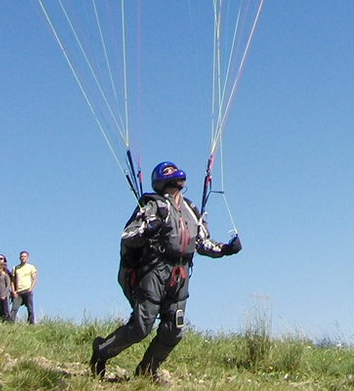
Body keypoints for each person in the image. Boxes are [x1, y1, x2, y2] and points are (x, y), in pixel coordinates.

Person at [90, 161, 241, 381]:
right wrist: (147, 230)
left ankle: (147, 371)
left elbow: (203, 242)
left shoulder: (190, 209)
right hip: (155, 270)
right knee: (141, 326)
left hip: (180, 274)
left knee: (174, 330)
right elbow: (128, 236)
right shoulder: (154, 206)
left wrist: (225, 249)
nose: (178, 181)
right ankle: (102, 351)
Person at [10, 250, 38, 324]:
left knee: (30, 309)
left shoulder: (31, 267)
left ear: (27, 258)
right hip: (18, 292)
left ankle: (31, 323)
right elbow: (12, 281)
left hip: (27, 290)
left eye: (24, 256)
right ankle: (10, 324)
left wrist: (31, 288)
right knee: (14, 309)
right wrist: (13, 291)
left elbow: (34, 279)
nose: (23, 258)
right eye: (22, 256)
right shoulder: (15, 268)